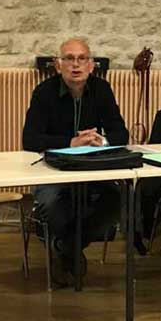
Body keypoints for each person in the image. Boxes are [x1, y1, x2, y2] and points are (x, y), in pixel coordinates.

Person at [22, 37, 128, 286]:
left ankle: (65, 246)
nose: (76, 64)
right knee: (50, 203)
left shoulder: (102, 89)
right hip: (53, 170)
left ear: (91, 65)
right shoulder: (44, 92)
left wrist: (101, 140)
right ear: (58, 65)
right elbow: (30, 139)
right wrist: (71, 142)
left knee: (120, 198)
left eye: (82, 59)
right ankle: (67, 248)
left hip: (91, 168)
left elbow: (120, 133)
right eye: (69, 58)